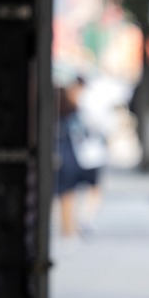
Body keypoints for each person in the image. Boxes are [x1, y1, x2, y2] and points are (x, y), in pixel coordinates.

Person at [55, 75, 106, 239]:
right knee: (67, 192)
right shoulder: (71, 107)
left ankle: (74, 225)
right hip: (73, 155)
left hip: (83, 154)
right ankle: (70, 227)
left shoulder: (79, 106)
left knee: (72, 191)